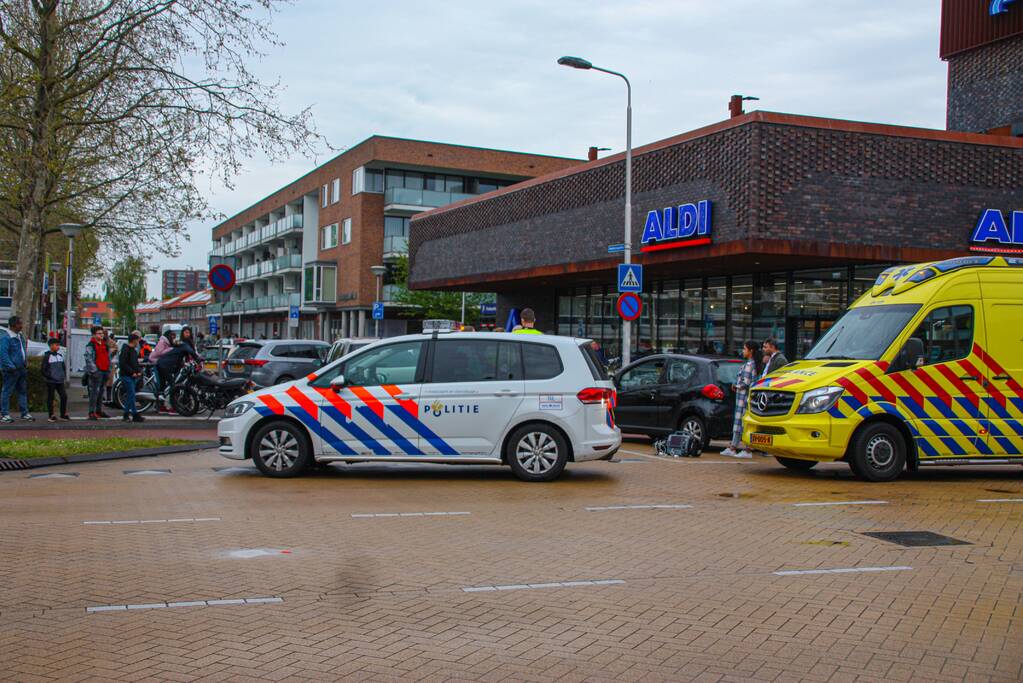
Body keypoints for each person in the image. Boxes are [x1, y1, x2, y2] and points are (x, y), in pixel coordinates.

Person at [722, 341, 761, 459]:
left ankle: (745, 449)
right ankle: (735, 447)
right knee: (742, 424)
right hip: (746, 398)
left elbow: (745, 383)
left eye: (744, 349)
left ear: (751, 351)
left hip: (743, 399)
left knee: (741, 423)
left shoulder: (749, 365)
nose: (743, 351)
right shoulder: (754, 364)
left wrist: (735, 386)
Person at [156, 326, 198, 413]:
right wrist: (198, 359)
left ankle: (161, 407)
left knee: (164, 387)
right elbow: (191, 352)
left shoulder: (180, 343)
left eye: (188, 332)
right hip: (166, 366)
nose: (186, 334)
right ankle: (172, 407)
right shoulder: (184, 344)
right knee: (174, 386)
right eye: (185, 332)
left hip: (163, 364)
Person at [0, 315, 33, 422]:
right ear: (14, 325)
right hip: (11, 370)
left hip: (21, 368)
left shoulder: (20, 336)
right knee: (7, 391)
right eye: (20, 323)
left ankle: (25, 413)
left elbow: (23, 350)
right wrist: (11, 366)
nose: (21, 325)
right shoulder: (6, 338)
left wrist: (25, 363)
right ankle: (4, 414)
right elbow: (3, 354)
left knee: (22, 391)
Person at [84, 326, 112, 419]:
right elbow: (88, 359)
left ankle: (99, 411)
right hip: (97, 372)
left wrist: (108, 368)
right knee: (94, 392)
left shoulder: (105, 344)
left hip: (105, 371)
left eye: (102, 333)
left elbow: (108, 357)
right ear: (94, 335)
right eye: (99, 333)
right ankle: (91, 412)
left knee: (101, 392)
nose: (101, 335)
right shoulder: (91, 345)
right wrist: (94, 371)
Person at [41, 337, 70, 422]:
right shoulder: (47, 356)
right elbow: (43, 369)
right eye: (56, 345)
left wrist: (62, 375)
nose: (58, 347)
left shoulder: (60, 356)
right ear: (51, 346)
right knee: (51, 397)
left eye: (59, 345)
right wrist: (49, 376)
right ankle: (51, 415)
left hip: (59, 381)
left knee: (64, 396)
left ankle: (63, 414)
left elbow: (63, 367)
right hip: (51, 381)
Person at [118, 333, 145, 422]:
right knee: (131, 395)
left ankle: (133, 414)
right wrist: (133, 372)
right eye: (137, 340)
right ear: (134, 340)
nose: (138, 342)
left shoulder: (131, 350)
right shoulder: (128, 350)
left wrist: (138, 371)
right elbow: (123, 363)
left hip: (130, 375)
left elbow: (133, 363)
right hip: (127, 375)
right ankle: (129, 414)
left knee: (131, 395)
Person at [149, 330, 175, 413]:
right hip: (157, 363)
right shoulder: (162, 341)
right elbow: (160, 352)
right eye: (172, 336)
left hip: (162, 364)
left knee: (163, 385)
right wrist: (170, 349)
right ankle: (160, 405)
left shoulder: (167, 343)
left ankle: (161, 405)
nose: (173, 337)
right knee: (162, 384)